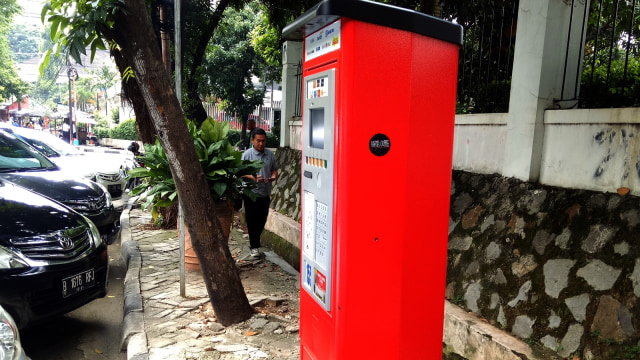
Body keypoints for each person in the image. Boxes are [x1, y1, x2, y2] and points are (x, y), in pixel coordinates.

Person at [241, 128, 278, 257]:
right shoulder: (247, 155)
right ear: (252, 140)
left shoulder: (270, 155)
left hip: (265, 193)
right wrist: (253, 177)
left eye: (263, 141)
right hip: (250, 193)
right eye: (258, 141)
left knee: (262, 219)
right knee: (251, 220)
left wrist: (273, 177)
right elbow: (240, 172)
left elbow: (274, 170)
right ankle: (254, 247)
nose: (261, 144)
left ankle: (254, 241)